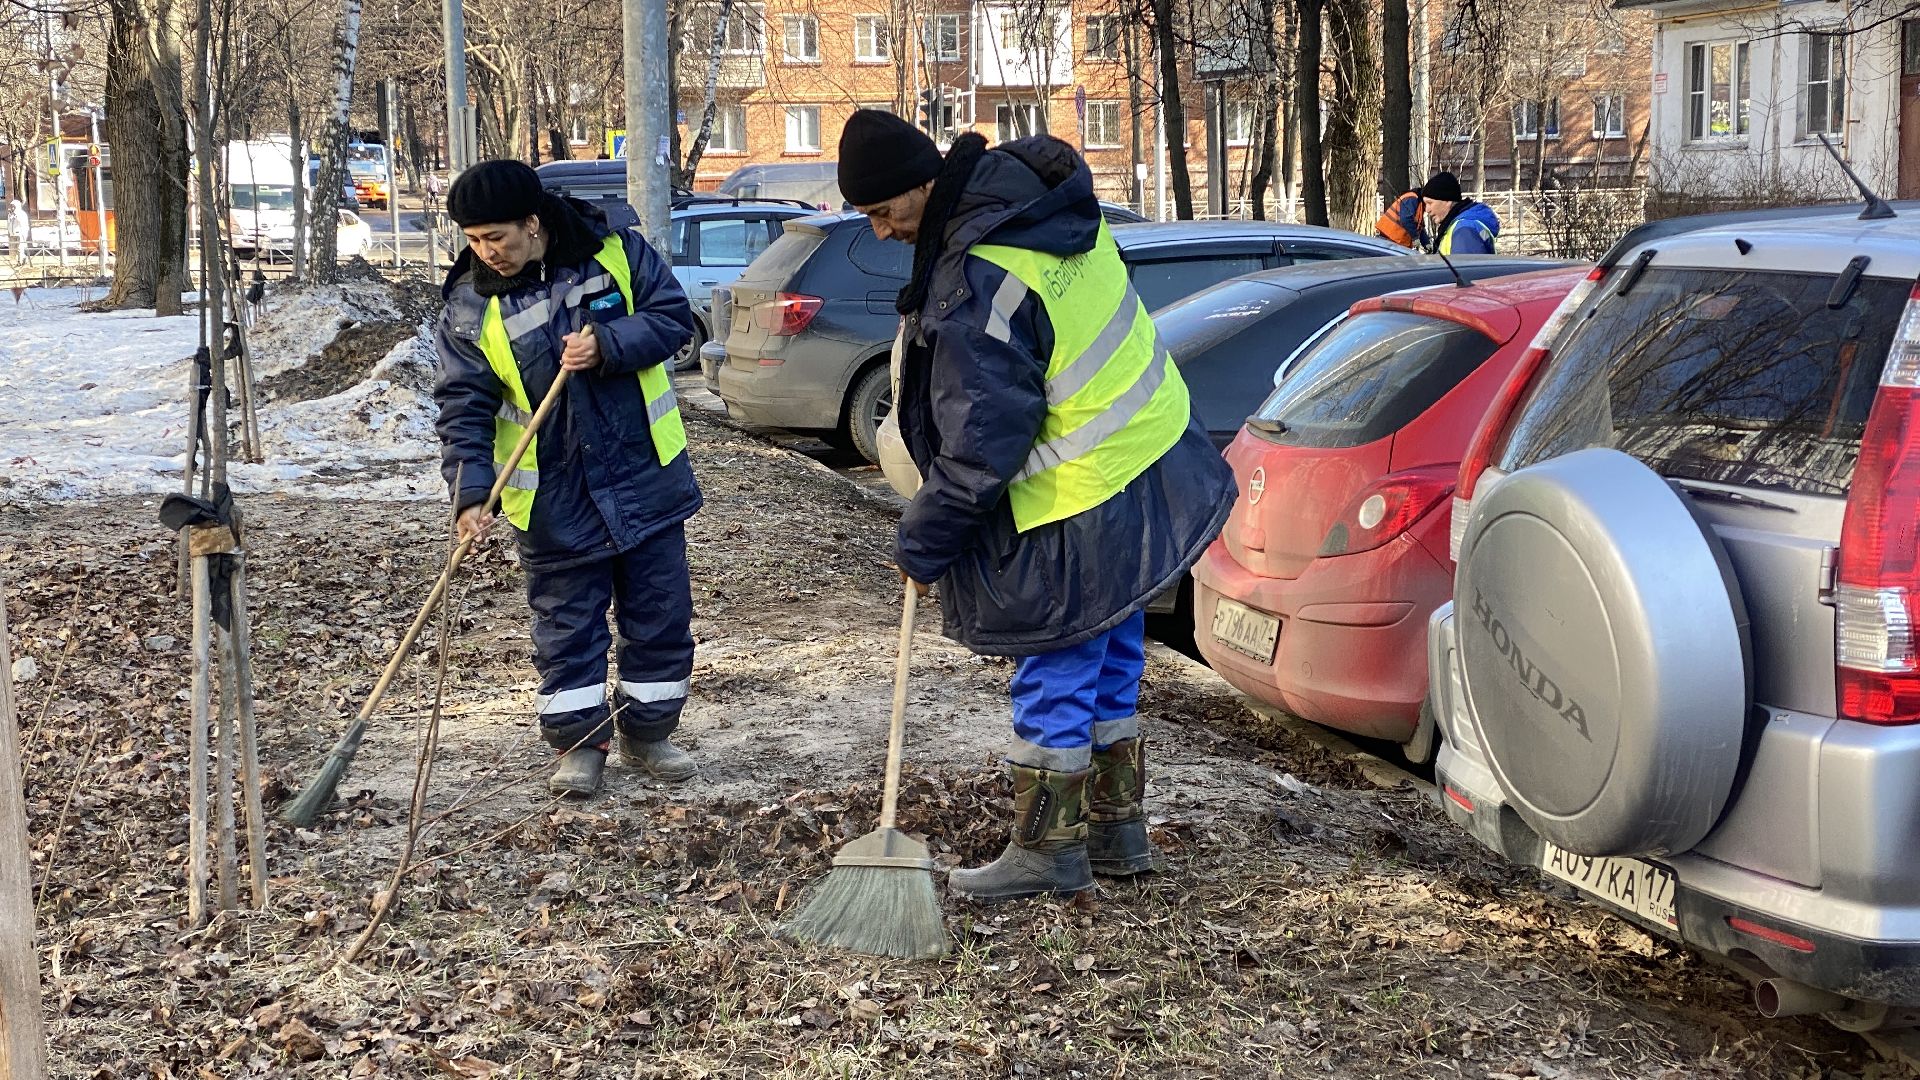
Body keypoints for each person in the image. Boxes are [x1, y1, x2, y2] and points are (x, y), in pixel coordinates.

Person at [837, 111, 1235, 902]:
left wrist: (924, 540)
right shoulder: (1042, 211)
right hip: (1147, 467)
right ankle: (1118, 830)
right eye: (869, 217)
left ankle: (1049, 850)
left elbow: (985, 443)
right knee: (1114, 652)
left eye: (886, 212)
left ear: (925, 183)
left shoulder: (982, 276)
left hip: (1076, 500)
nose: (881, 233)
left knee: (1055, 664)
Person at [432, 159, 701, 797]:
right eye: (472, 240)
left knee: (659, 615)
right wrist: (471, 494)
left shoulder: (614, 252)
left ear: (533, 222)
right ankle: (580, 746)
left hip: (644, 476)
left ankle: (650, 733)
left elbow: (672, 319)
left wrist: (609, 344)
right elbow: (462, 406)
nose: (485, 252)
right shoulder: (471, 305)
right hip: (552, 497)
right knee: (566, 627)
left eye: (495, 237)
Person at [1419, 171, 1500, 255]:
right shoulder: (1457, 226)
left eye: (1430, 203)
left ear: (1447, 200)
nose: (1427, 210)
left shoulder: (1464, 230)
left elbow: (1464, 267)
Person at [8, 200, 28, 265]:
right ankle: (14, 262)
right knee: (13, 249)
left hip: (20, 234)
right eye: (12, 207)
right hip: (12, 234)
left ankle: (21, 261)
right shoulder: (10, 214)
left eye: (14, 207)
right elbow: (9, 223)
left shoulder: (22, 214)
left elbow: (22, 223)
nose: (12, 208)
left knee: (20, 248)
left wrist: (16, 216)